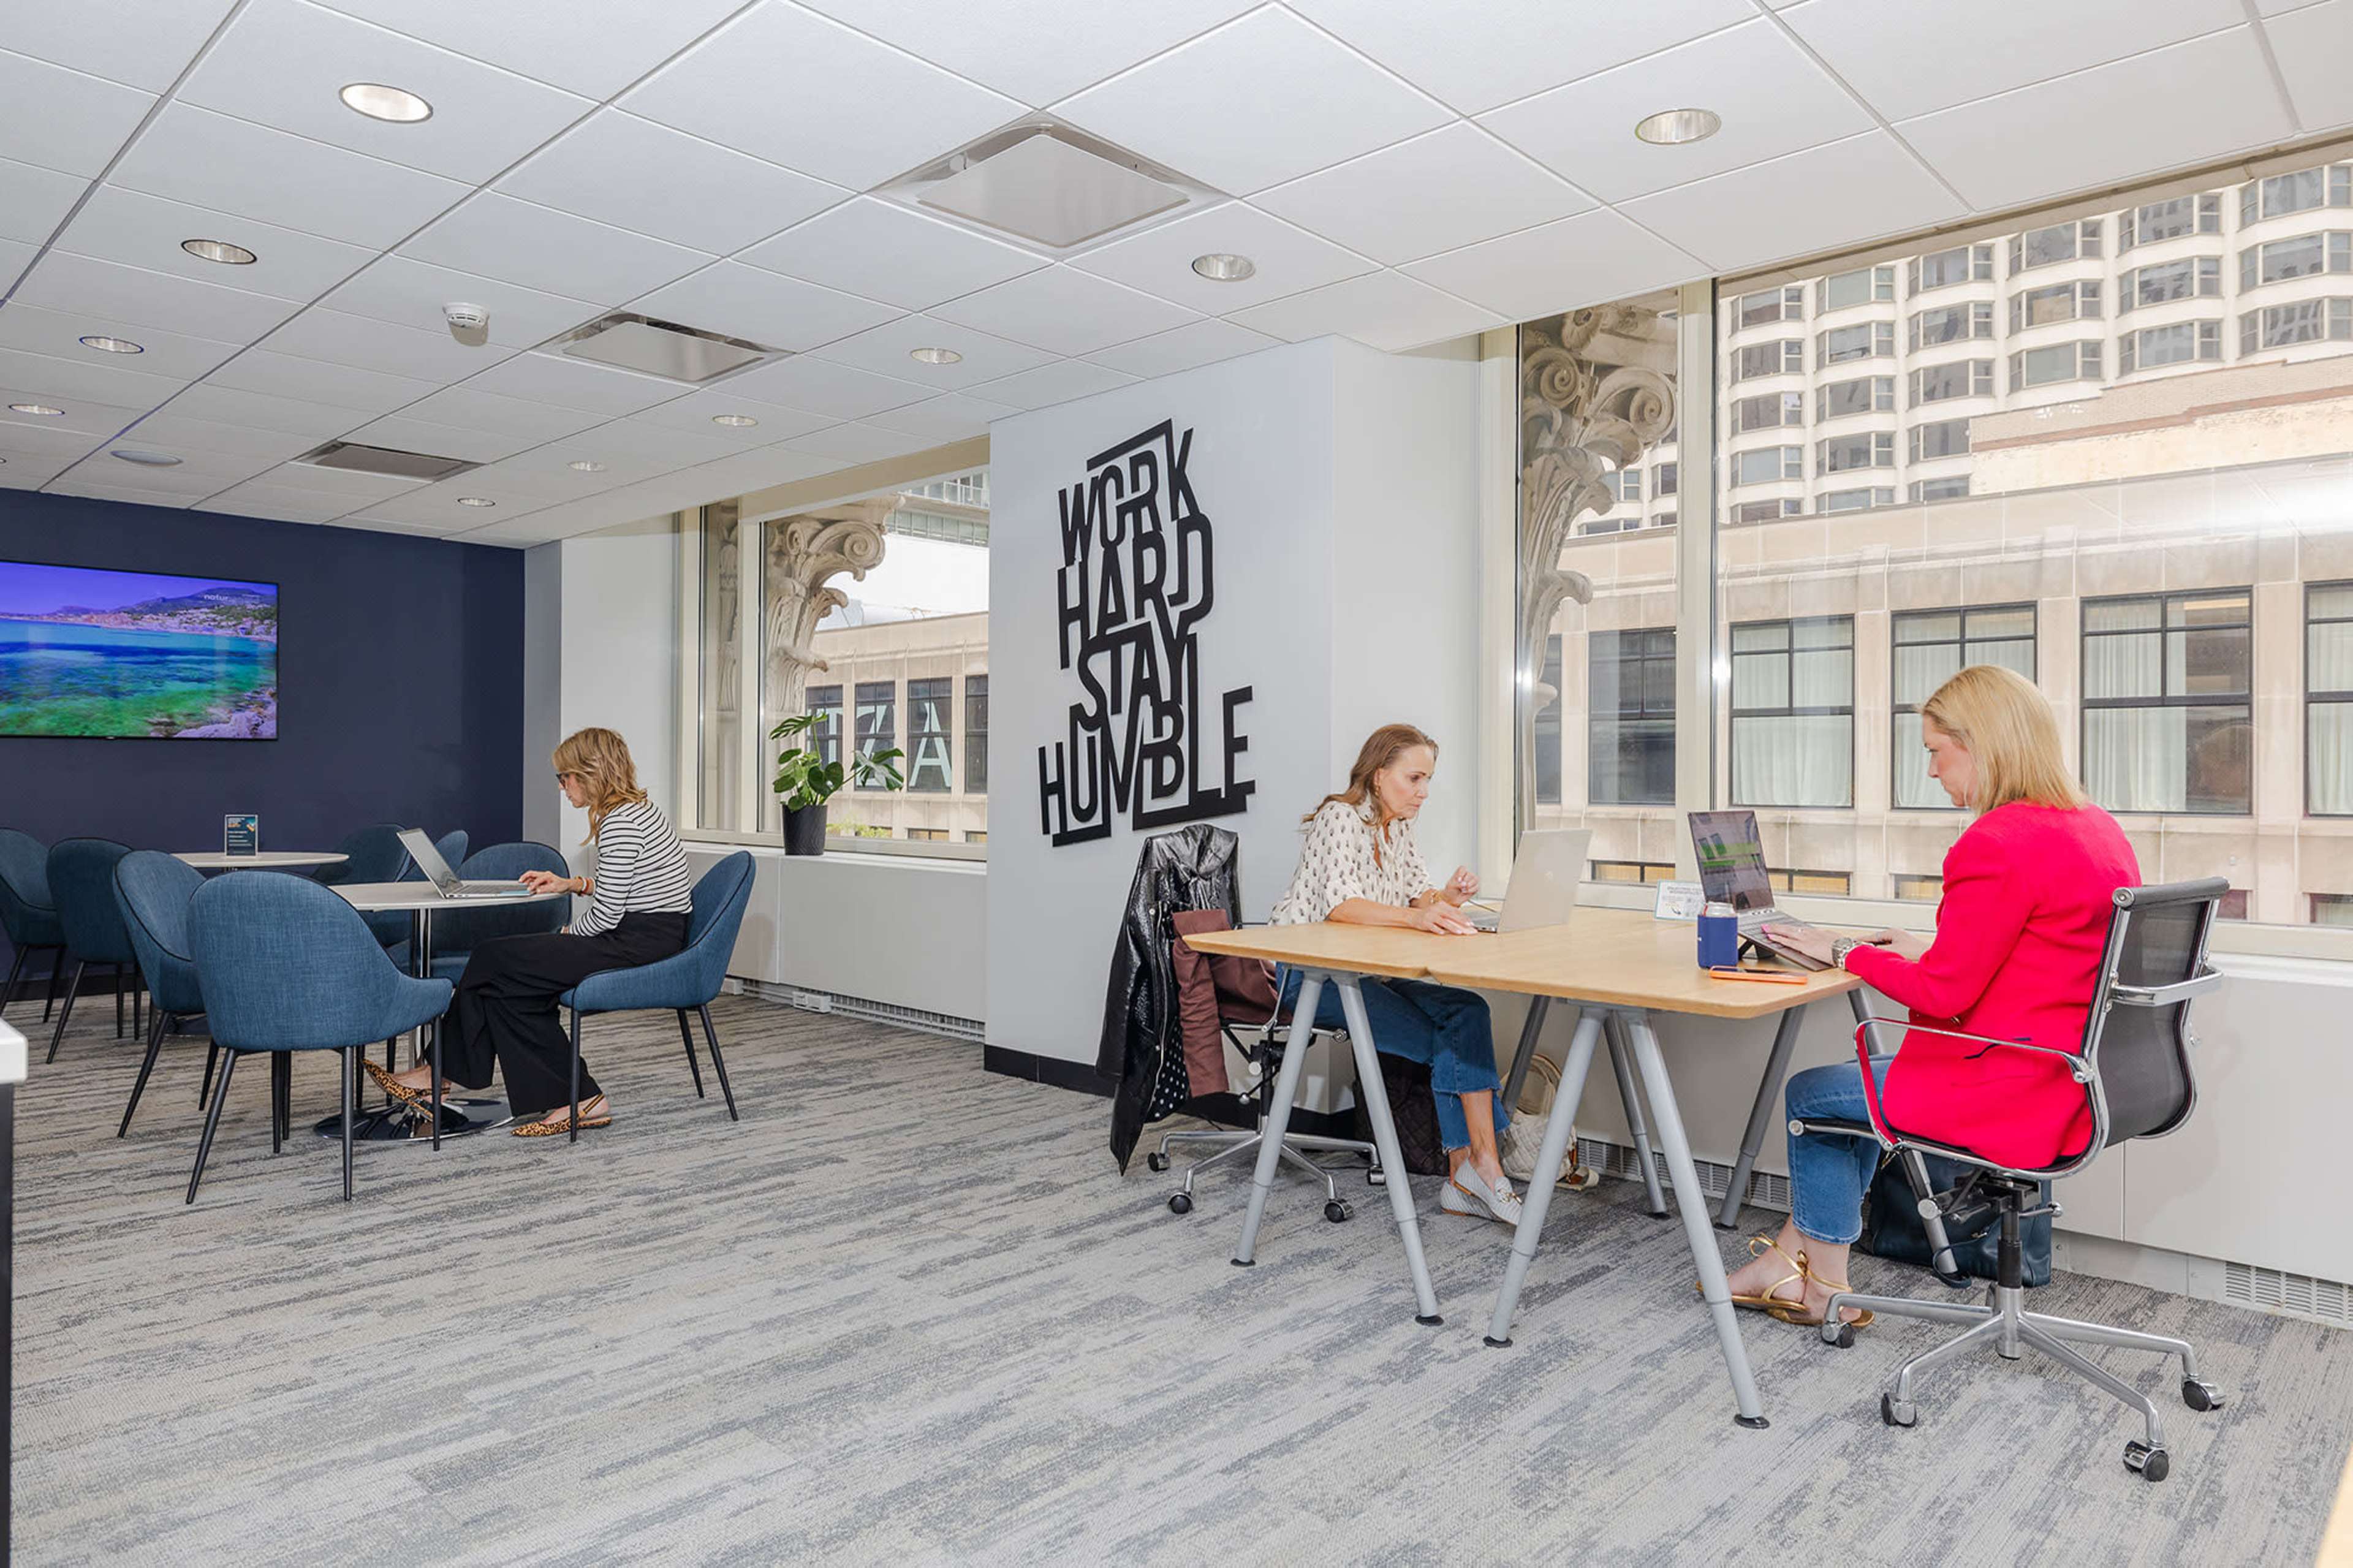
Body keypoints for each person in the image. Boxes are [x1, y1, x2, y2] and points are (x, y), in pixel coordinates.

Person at [1723, 664, 2139, 1328]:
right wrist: (1925, 948)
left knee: (1812, 1097)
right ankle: (1785, 1259)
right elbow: (2044, 953)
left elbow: (1943, 995)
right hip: (2069, 1076)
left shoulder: (1997, 842)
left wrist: (1843, 949)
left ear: (1980, 744)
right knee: (1857, 1090)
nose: (1932, 770)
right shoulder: (2094, 827)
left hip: (2007, 1085)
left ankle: (1825, 1289)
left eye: (1936, 751)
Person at [371, 727, 694, 1137]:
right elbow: (633, 886)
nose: (562, 786)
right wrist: (573, 884)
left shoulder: (620, 823)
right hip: (651, 932)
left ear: (590, 772)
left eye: (565, 777)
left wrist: (566, 934)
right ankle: (581, 1099)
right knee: (510, 989)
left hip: (638, 939)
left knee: (492, 958)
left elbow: (609, 914)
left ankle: (438, 1074)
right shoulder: (637, 811)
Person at [1268, 723, 1520, 1225]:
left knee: (1468, 1011)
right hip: (1312, 975)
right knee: (1444, 1040)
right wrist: (1416, 917)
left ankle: (1477, 1169)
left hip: (1367, 973)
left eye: (1428, 780)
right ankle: (1475, 1171)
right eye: (1414, 778)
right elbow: (1342, 905)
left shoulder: (1399, 826)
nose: (1423, 792)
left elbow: (1418, 893)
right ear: (1379, 774)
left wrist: (1446, 899)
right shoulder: (1340, 817)